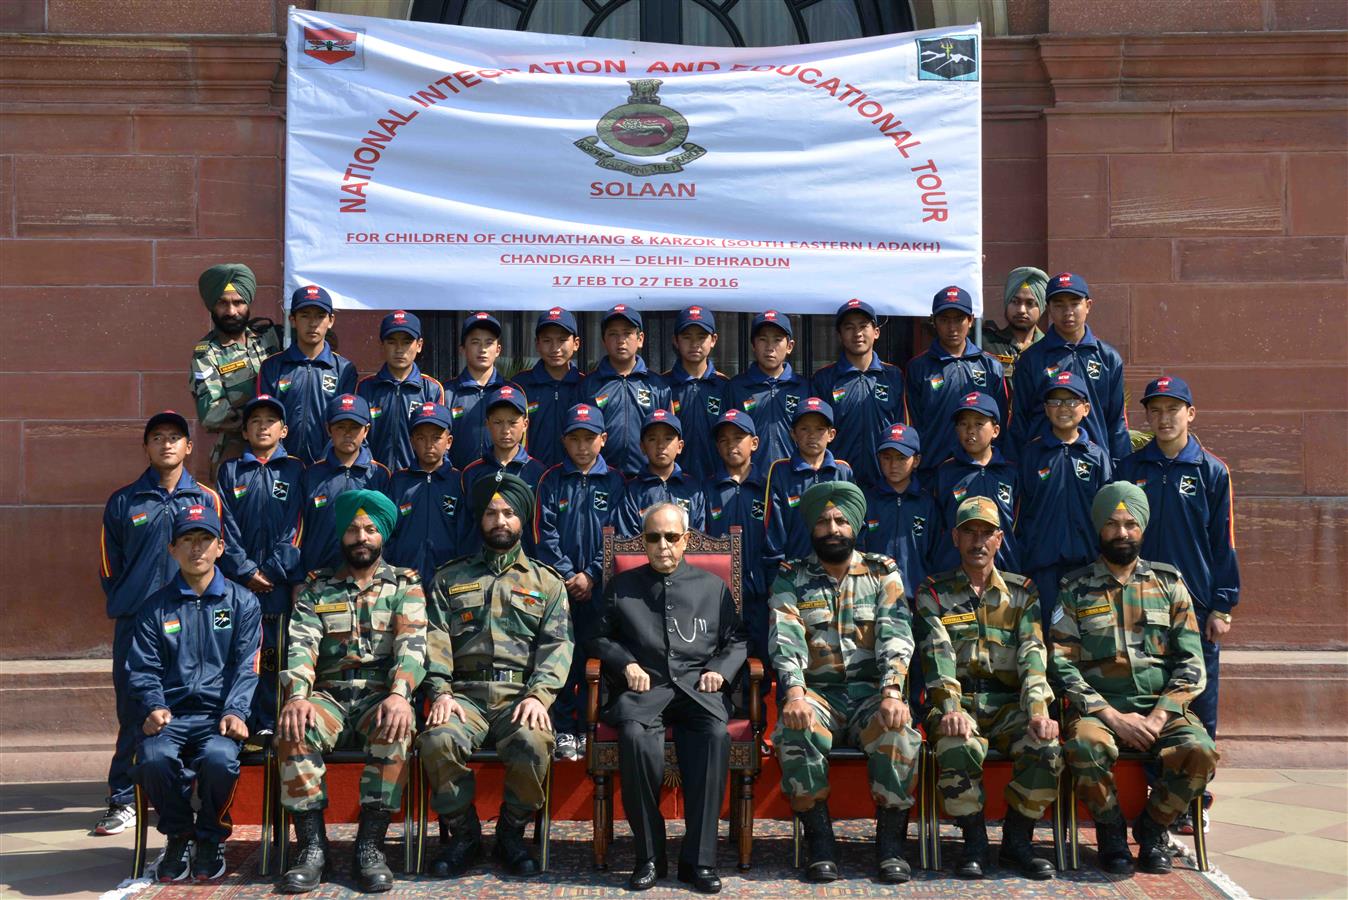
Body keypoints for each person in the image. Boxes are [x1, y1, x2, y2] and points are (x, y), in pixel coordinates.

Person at [1051, 483, 1218, 876]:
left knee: (1201, 750)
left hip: (1160, 707)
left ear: (1142, 529)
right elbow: (1061, 664)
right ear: (1099, 529)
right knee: (1084, 745)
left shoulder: (1169, 585)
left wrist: (1160, 717)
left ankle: (1153, 827)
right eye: (1112, 523)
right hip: (1100, 708)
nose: (1122, 532)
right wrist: (1112, 717)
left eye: (1129, 524)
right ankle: (1110, 830)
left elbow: (1192, 663)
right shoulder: (1074, 589)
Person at [417, 474, 573, 878]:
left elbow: (558, 646)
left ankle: (511, 833)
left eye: (508, 513)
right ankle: (464, 834)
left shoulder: (546, 582)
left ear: (522, 519)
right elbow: (434, 638)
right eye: (491, 513)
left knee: (533, 742)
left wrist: (539, 696)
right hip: (463, 695)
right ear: (480, 520)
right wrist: (441, 691)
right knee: (437, 739)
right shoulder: (448, 579)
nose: (499, 520)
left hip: (519, 696)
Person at [590, 502, 747, 894]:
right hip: (647, 690)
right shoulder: (622, 587)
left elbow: (737, 640)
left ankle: (699, 861)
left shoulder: (713, 588)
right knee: (635, 739)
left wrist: (720, 671)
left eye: (672, 537)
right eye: (653, 537)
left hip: (698, 690)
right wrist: (625, 663)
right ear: (643, 541)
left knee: (715, 737)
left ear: (687, 540)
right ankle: (649, 856)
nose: (663, 545)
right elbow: (598, 637)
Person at [770, 481, 922, 884]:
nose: (832, 528)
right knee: (794, 728)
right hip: (819, 696)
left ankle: (890, 845)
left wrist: (892, 691)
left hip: (873, 694)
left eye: (840, 520)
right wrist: (795, 693)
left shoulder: (882, 572)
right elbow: (785, 636)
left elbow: (896, 633)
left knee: (899, 731)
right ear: (812, 529)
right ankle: (821, 842)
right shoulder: (792, 577)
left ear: (854, 526)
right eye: (822, 521)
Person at [275, 490, 427, 894]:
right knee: (293, 728)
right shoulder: (316, 589)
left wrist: (399, 694)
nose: (362, 536)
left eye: (370, 529)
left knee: (396, 726)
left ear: (383, 536)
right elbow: (301, 646)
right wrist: (297, 697)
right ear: (342, 536)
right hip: (327, 697)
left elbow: (412, 647)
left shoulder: (406, 585)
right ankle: (311, 848)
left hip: (380, 696)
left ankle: (370, 848)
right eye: (354, 529)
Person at [1114, 375, 1238, 834]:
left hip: (1195, 607)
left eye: (1173, 409)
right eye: (1156, 410)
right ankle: (1153, 794)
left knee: (1198, 704)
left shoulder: (1211, 471)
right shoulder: (1130, 469)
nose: (1164, 418)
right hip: (1140, 604)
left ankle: (1195, 799)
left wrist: (1223, 605)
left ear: (1191, 413)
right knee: (1146, 694)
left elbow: (1222, 542)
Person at [914, 497, 1061, 881]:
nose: (977, 541)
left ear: (999, 539)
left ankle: (1017, 840)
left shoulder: (1023, 593)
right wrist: (950, 707)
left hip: (1009, 702)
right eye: (969, 532)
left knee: (1044, 745)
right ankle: (974, 843)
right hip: (956, 702)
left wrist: (1038, 712)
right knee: (955, 742)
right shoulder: (933, 592)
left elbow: (1033, 656)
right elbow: (937, 654)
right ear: (955, 537)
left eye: (985, 533)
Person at [96, 410, 222, 837]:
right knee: (136, 708)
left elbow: (223, 550)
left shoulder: (206, 499)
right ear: (146, 447)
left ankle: (182, 794)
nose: (167, 444)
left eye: (175, 437)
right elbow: (109, 565)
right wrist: (131, 602)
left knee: (191, 707)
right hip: (138, 624)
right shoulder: (124, 501)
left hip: (194, 622)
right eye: (157, 437)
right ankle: (123, 798)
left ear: (189, 447)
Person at [128, 503, 261, 882]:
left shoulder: (242, 602)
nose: (196, 549)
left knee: (220, 759)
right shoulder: (155, 608)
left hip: (218, 718)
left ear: (221, 547)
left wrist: (236, 710)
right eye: (187, 540)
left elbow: (247, 665)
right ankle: (179, 834)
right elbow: (143, 667)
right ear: (172, 549)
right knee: (153, 758)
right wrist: (153, 705)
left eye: (205, 539)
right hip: (170, 716)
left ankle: (210, 836)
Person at [533, 403, 628, 759]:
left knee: (601, 656)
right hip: (561, 590)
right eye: (575, 439)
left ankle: (594, 728)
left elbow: (618, 533)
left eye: (590, 438)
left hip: (602, 588)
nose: (582, 446)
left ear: (603, 440)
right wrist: (570, 574)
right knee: (562, 658)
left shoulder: (616, 481)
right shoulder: (551, 479)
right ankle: (564, 729)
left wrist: (591, 573)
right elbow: (545, 533)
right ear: (564, 441)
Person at [216, 394, 305, 734]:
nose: (263, 426)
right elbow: (224, 526)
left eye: (270, 421)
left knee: (276, 652)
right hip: (240, 585)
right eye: (255, 421)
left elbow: (297, 524)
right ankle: (242, 719)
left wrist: (271, 570)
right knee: (242, 649)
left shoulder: (295, 470)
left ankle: (272, 722)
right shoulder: (231, 471)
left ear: (283, 429)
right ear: (246, 430)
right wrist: (246, 570)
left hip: (279, 584)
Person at [1015, 371, 1112, 629]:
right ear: (1046, 409)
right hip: (1043, 564)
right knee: (1047, 633)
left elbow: (1108, 515)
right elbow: (1020, 512)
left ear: (1086, 408)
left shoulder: (1097, 456)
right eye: (1056, 402)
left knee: (1090, 635)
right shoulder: (1032, 455)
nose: (1063, 409)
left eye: (1071, 402)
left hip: (1088, 565)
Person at [1011, 272, 1129, 464]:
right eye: (1059, 305)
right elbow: (1019, 421)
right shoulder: (1032, 359)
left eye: (1075, 303)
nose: (1068, 312)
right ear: (1049, 309)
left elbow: (1116, 422)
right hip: (1044, 467)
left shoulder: (1108, 359)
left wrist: (1121, 471)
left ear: (1088, 305)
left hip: (1096, 468)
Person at [189, 263, 281, 477]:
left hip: (282, 453)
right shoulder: (206, 354)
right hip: (236, 457)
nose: (231, 311)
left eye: (238, 303)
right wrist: (263, 424)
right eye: (223, 303)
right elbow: (211, 413)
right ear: (212, 306)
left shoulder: (271, 337)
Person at [904, 286, 1009, 473]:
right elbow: (913, 422)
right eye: (944, 320)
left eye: (959, 319)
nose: (952, 327)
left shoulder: (990, 365)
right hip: (932, 469)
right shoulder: (918, 367)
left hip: (981, 469)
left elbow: (1001, 419)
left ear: (970, 321)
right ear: (934, 321)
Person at [810, 299, 908, 489]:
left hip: (884, 480)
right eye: (849, 328)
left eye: (864, 326)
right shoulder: (824, 379)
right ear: (839, 335)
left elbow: (902, 427)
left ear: (876, 332)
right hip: (837, 480)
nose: (858, 334)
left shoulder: (893, 376)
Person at [703, 409, 771, 673]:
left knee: (762, 659)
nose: (731, 444)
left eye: (738, 437)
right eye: (723, 440)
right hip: (718, 594)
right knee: (721, 657)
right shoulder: (706, 490)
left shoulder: (768, 486)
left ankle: (759, 710)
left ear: (754, 443)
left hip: (760, 590)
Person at [256, 285, 357, 464]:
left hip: (327, 466)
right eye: (305, 316)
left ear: (331, 320)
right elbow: (264, 419)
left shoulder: (344, 369)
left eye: (320, 316)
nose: (312, 323)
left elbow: (345, 422)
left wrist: (326, 461)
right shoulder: (272, 366)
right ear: (292, 320)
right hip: (281, 465)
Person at [762, 397, 855, 584]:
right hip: (795, 574)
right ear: (793, 434)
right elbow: (773, 529)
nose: (812, 435)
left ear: (831, 434)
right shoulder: (781, 471)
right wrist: (777, 577)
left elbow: (855, 526)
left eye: (820, 429)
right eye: (804, 429)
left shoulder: (843, 471)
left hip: (840, 573)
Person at [298, 394, 392, 576]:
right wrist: (298, 579)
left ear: (366, 430)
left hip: (368, 578)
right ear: (328, 429)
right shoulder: (311, 475)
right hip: (318, 577)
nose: (348, 434)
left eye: (355, 427)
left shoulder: (380, 475)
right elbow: (299, 530)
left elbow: (389, 530)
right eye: (340, 427)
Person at [929, 392, 1021, 575]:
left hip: (1004, 570)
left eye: (979, 423)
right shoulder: (946, 472)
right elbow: (937, 526)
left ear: (995, 431)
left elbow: (1020, 523)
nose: (970, 430)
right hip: (955, 574)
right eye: (963, 424)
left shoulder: (1010, 472)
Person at [579, 304, 673, 476]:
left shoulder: (658, 385)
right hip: (601, 477)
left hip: (645, 478)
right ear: (604, 340)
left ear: (640, 339)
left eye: (627, 333)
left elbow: (670, 435)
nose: (620, 340)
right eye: (613, 334)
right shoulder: (589, 385)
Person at [384, 402, 466, 589]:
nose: (429, 445)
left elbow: (466, 535)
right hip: (403, 581)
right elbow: (388, 533)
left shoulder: (459, 482)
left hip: (449, 580)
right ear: (412, 441)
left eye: (437, 438)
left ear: (449, 441)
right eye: (421, 438)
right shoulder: (398, 482)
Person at [356, 310, 445, 473]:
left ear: (419, 345)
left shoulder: (431, 389)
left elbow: (439, 442)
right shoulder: (366, 387)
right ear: (381, 345)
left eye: (406, 342)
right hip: (372, 479)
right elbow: (358, 437)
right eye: (392, 342)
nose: (399, 349)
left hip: (413, 481)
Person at [859, 423, 934, 613]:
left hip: (918, 600)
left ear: (916, 460)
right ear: (878, 459)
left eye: (901, 458)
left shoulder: (927, 504)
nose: (893, 465)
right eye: (887, 458)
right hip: (873, 599)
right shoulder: (867, 501)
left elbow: (935, 553)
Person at [724, 310, 807, 473]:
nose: (770, 347)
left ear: (790, 346)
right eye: (763, 339)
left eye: (777, 340)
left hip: (793, 481)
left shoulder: (804, 387)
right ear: (753, 345)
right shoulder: (736, 387)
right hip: (750, 480)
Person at [443, 311, 517, 471]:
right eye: (475, 342)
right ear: (462, 349)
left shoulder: (512, 391)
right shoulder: (447, 392)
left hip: (502, 481)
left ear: (498, 349)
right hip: (459, 481)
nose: (482, 349)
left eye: (489, 342)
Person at [615, 409, 707, 537]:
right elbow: (627, 539)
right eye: (652, 439)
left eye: (668, 438)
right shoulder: (632, 490)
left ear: (680, 446)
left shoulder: (693, 489)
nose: (660, 445)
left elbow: (699, 538)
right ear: (642, 447)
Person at [513, 307, 585, 470]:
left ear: (576, 344)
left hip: (572, 477)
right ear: (537, 344)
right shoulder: (519, 385)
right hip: (528, 475)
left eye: (562, 340)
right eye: (547, 340)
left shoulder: (586, 385)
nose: (555, 348)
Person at [664, 305, 730, 480]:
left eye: (701, 337)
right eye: (687, 337)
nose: (694, 344)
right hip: (674, 482)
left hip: (717, 482)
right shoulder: (662, 386)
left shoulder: (726, 386)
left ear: (713, 340)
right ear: (676, 341)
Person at [980, 266, 1047, 380]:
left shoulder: (1048, 347)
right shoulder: (985, 342)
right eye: (1015, 302)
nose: (1021, 310)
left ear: (1041, 307)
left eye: (1030, 303)